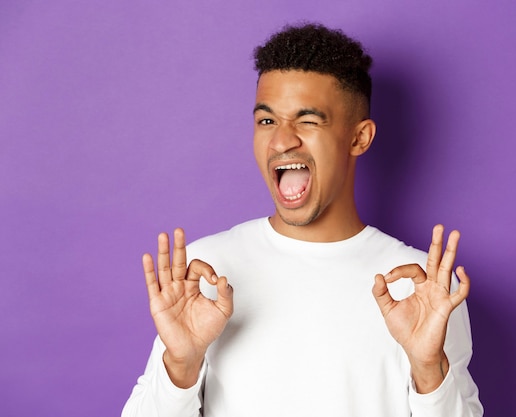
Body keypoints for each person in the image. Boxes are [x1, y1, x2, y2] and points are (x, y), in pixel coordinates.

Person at [122, 23, 483, 417]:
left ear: (359, 138)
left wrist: (430, 371)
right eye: (266, 121)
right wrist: (180, 366)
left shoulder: (425, 289)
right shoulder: (203, 272)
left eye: (308, 121)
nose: (281, 140)